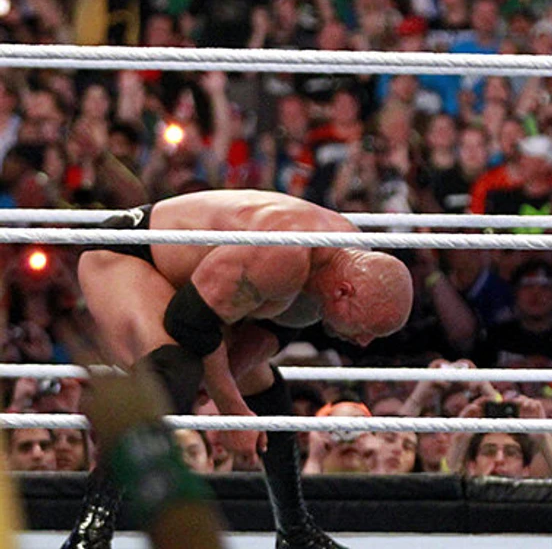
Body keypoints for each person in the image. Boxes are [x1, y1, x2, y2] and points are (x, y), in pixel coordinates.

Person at [62, 191, 413, 549]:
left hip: (199, 294)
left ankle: (295, 532)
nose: (364, 341)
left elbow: (269, 333)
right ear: (344, 292)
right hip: (129, 252)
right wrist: (231, 409)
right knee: (172, 373)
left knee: (266, 392)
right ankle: (91, 528)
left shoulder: (339, 264)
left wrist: (226, 389)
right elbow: (188, 321)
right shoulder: (284, 251)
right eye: (368, 328)